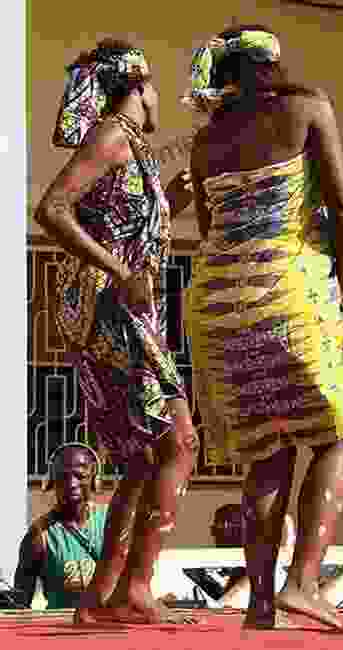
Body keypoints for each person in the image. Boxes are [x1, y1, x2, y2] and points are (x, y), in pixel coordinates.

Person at [183, 25, 343, 629]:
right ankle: (304, 583)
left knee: (267, 453)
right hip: (288, 292)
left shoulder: (205, 142)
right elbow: (342, 207)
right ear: (272, 65)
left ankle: (258, 604)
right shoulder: (307, 107)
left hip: (216, 303)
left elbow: (208, 227)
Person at [34, 38, 199, 625]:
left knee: (143, 454)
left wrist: (177, 193)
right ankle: (135, 586)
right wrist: (120, 269)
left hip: (124, 308)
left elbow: (132, 224)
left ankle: (101, 596)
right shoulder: (110, 136)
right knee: (180, 443)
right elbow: (51, 209)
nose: (159, 101)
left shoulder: (134, 148)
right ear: (138, 87)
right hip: (109, 309)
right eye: (154, 89)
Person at [14, 443, 108, 609]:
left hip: (109, 629)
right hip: (62, 629)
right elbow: (20, 602)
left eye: (80, 476)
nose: (71, 483)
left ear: (94, 479)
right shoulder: (39, 535)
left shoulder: (111, 523)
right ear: (52, 480)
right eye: (63, 476)